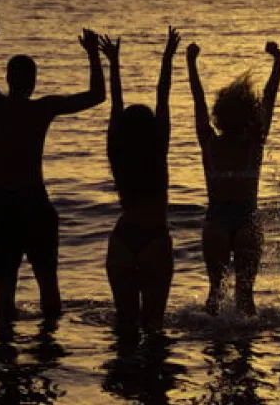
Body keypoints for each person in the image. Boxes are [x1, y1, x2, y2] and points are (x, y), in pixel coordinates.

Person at [0, 19, 105, 322]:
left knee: (4, 299)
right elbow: (97, 95)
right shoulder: (42, 109)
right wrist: (93, 54)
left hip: (2, 206)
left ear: (7, 78)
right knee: (49, 291)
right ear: (33, 82)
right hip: (35, 204)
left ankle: (3, 358)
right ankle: (49, 357)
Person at [186, 40, 280, 316]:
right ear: (251, 115)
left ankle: (214, 353)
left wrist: (191, 63)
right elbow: (270, 97)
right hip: (247, 221)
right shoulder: (255, 144)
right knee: (245, 298)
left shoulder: (209, 144)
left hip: (216, 220)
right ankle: (245, 354)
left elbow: (198, 100)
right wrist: (277, 62)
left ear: (219, 115)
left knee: (215, 295)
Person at [99, 27, 179, 332]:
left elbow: (115, 107)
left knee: (125, 328)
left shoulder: (116, 150)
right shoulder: (158, 149)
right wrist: (168, 56)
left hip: (122, 240)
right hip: (155, 239)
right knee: (154, 328)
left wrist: (114, 63)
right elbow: (163, 96)